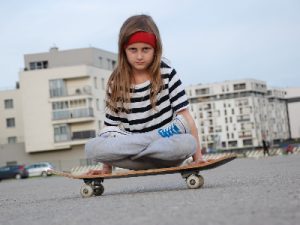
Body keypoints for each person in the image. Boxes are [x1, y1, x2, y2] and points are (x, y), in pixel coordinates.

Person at [85, 14, 204, 175]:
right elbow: (110, 128)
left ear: (155, 49)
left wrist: (198, 158)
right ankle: (149, 143)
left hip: (166, 154)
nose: (139, 56)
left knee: (187, 142)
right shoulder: (116, 83)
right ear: (124, 50)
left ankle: (148, 145)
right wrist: (106, 169)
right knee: (92, 147)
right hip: (133, 160)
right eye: (133, 50)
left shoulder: (167, 73)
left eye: (145, 49)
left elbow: (186, 118)